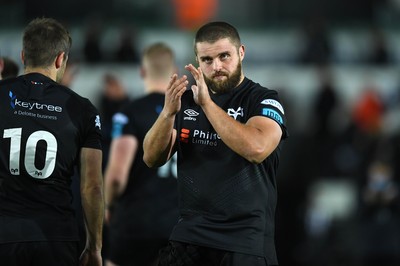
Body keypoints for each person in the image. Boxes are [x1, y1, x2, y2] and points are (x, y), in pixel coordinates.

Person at [143, 21, 289, 266]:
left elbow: (256, 148)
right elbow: (151, 157)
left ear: (241, 52)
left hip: (244, 242)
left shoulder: (263, 100)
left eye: (224, 56)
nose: (217, 66)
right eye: (207, 60)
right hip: (189, 238)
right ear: (197, 61)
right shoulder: (186, 102)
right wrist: (167, 113)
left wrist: (208, 105)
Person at [0, 17, 104, 266]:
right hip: (56, 238)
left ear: (24, 55)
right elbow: (92, 187)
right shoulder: (83, 110)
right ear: (60, 59)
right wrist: (94, 246)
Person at [104, 42, 179, 266]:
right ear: (174, 73)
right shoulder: (188, 114)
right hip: (178, 227)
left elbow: (117, 177)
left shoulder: (129, 113)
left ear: (142, 71)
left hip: (135, 223)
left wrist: (108, 205)